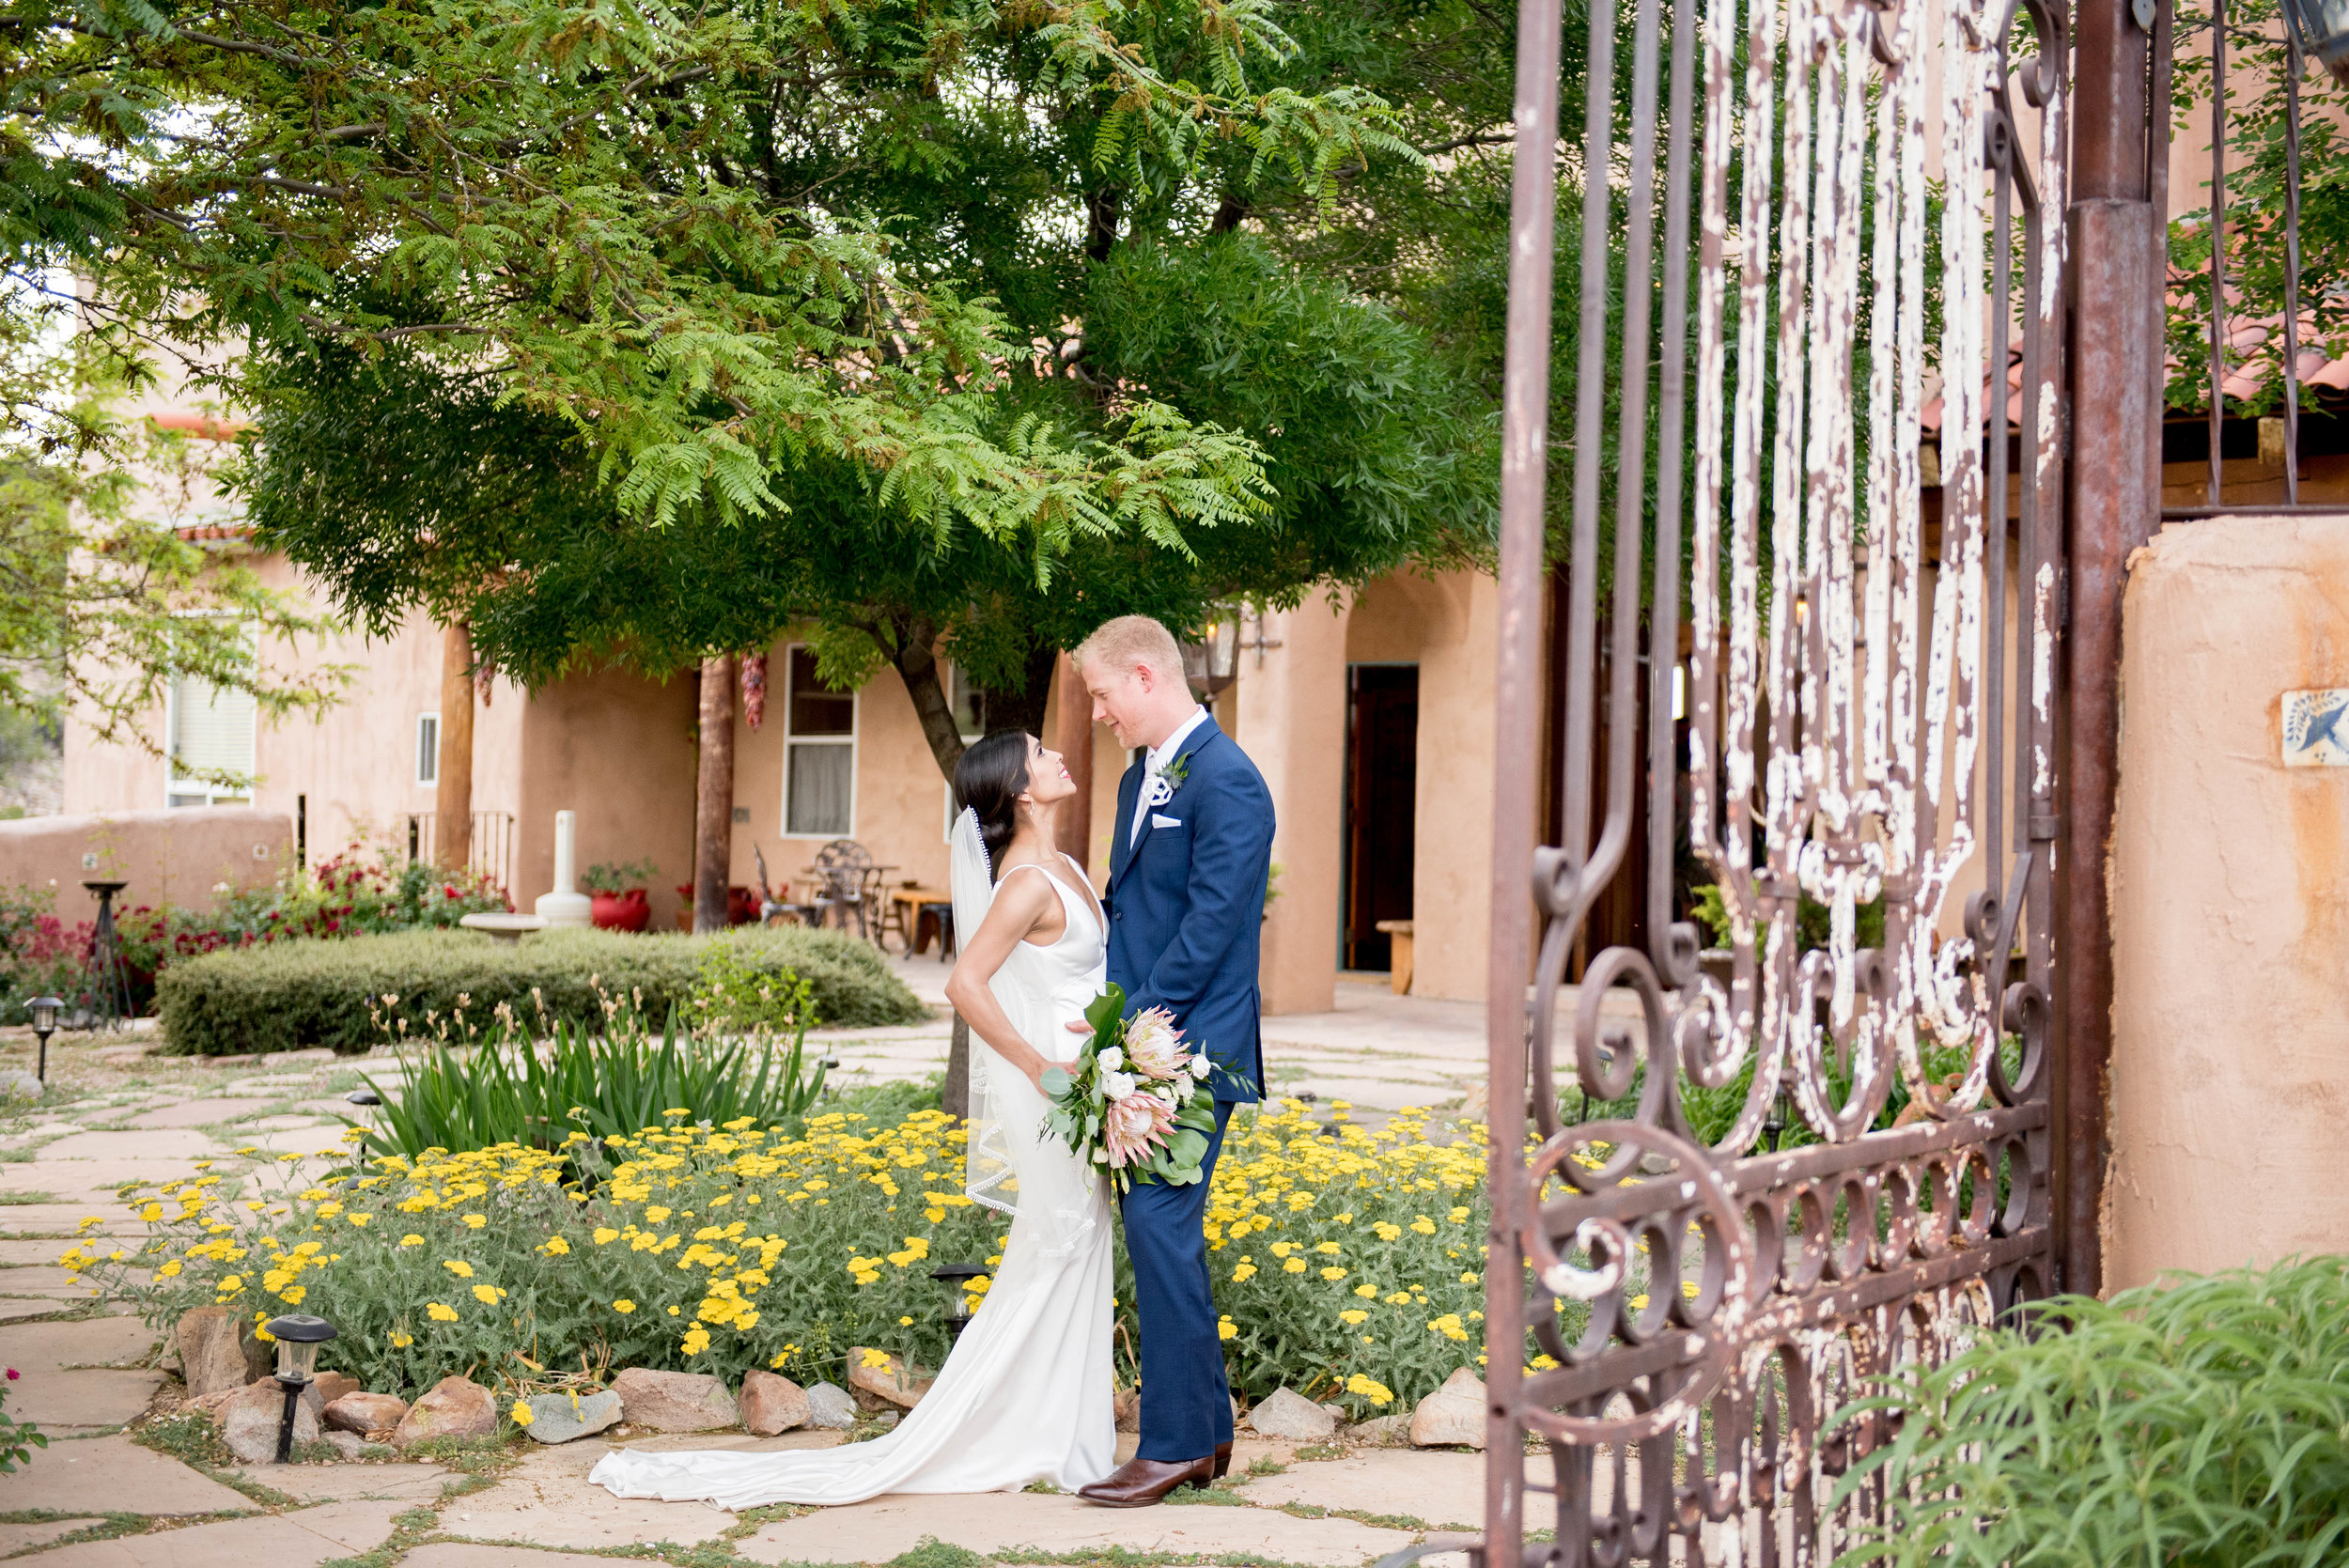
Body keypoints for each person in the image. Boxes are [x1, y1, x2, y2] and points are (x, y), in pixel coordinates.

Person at [588, 729, 1117, 1507]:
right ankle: (1032, 1429)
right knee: (1061, 1244)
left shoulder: (1065, 865)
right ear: (1021, 789)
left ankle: (1060, 1425)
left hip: (1090, 1084)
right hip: (1055, 1095)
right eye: (1041, 753)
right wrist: (1042, 1067)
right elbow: (967, 986)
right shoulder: (1026, 883)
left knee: (1075, 1246)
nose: (1058, 755)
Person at [1067, 614, 1275, 1508]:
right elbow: (1132, 912)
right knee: (1160, 1229)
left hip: (1192, 1046)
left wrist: (1136, 1032)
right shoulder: (1133, 782)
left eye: (1102, 694)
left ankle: (1176, 1443)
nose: (1099, 712)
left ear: (1145, 676)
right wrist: (1106, 1025)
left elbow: (1208, 929)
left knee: (1158, 1227)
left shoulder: (1231, 783)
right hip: (1142, 1041)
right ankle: (1209, 1433)